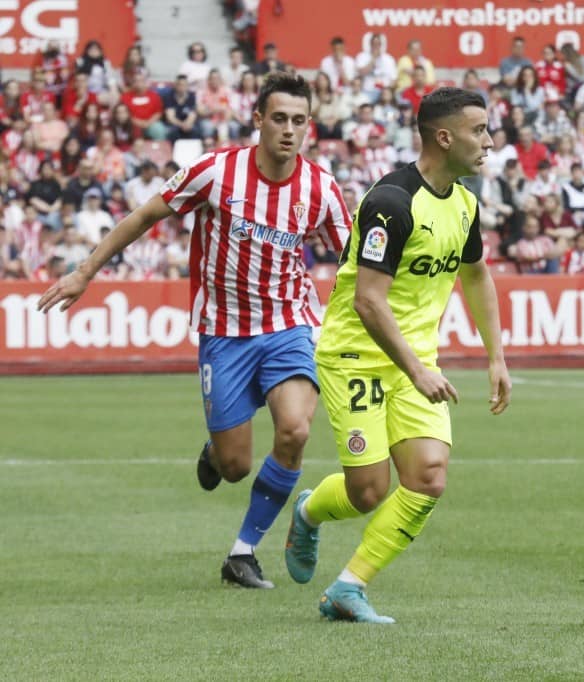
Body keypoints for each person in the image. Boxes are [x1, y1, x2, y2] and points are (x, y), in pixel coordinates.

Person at [37, 73, 351, 589]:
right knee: (234, 466)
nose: (289, 131)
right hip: (223, 331)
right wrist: (85, 271)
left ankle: (243, 552)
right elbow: (145, 216)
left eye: (299, 121)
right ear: (258, 120)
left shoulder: (320, 187)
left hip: (289, 322)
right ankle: (214, 452)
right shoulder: (216, 172)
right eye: (278, 119)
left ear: (309, 125)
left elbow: (356, 258)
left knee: (295, 430)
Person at [287, 88, 510, 624]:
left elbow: (476, 275)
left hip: (415, 363)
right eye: (479, 130)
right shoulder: (390, 202)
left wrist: (496, 357)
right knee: (368, 491)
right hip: (355, 357)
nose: (488, 141)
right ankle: (309, 510)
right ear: (444, 136)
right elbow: (367, 300)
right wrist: (418, 368)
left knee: (429, 476)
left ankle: (348, 586)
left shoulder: (464, 203)